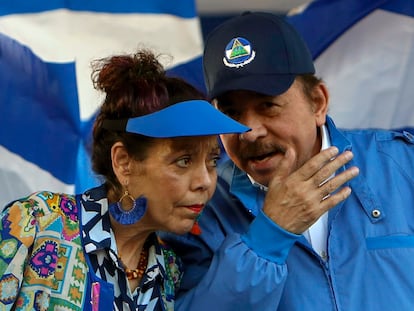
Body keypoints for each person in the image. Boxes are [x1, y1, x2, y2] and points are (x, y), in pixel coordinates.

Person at [160, 12, 414, 310]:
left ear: (317, 103)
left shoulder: (401, 164)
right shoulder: (199, 209)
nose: (251, 132)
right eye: (231, 114)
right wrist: (270, 236)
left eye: (268, 106)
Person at [0, 49, 248, 310]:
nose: (206, 181)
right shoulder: (36, 222)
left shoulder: (170, 273)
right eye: (183, 161)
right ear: (123, 163)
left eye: (211, 161)